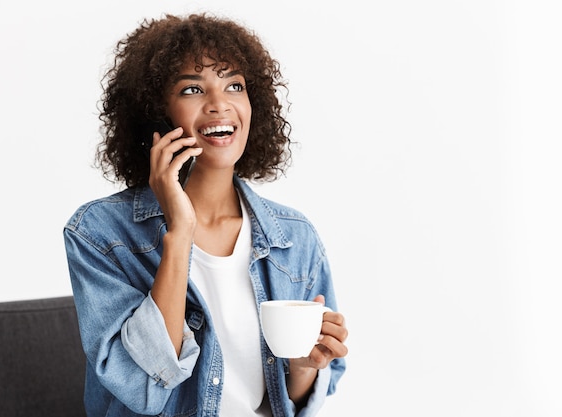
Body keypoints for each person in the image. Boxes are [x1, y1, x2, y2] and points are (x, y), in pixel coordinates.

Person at [63, 12, 348, 417]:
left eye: (234, 85)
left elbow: (303, 394)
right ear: (156, 116)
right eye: (193, 89)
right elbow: (142, 388)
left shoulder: (294, 236)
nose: (219, 104)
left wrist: (302, 367)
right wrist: (180, 232)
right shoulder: (98, 234)